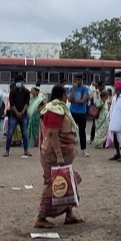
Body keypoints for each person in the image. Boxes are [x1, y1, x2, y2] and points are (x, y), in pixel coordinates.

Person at [34, 84, 85, 229]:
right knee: (54, 184)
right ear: (63, 95)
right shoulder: (55, 110)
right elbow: (53, 134)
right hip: (55, 155)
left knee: (67, 180)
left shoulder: (57, 108)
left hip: (62, 153)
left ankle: (69, 214)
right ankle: (40, 217)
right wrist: (59, 155)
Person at [6, 78, 31, 158]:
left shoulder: (26, 92)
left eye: (20, 82)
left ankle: (26, 150)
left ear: (23, 82)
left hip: (23, 115)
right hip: (14, 115)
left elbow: (27, 103)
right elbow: (12, 104)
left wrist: (22, 112)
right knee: (10, 133)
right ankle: (7, 150)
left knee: (24, 133)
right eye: (18, 82)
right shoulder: (12, 92)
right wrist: (17, 113)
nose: (19, 83)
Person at [67, 74, 91, 156]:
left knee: (82, 131)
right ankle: (70, 149)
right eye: (76, 79)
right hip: (73, 112)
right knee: (70, 131)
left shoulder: (85, 89)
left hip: (82, 112)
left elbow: (83, 100)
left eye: (79, 79)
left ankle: (83, 150)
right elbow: (69, 99)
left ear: (82, 80)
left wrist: (74, 100)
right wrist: (73, 89)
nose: (77, 81)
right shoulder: (71, 88)